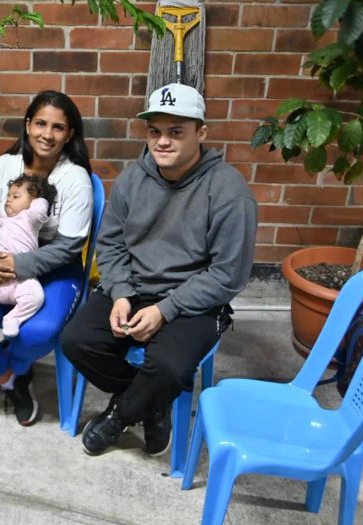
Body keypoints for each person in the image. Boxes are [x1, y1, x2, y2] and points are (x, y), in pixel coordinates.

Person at [61, 83, 258, 456]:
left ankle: (121, 414)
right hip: (134, 287)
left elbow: (228, 274)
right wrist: (120, 293)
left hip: (193, 300)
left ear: (201, 133)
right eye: (155, 132)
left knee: (168, 367)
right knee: (77, 340)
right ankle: (152, 401)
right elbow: (112, 243)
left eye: (175, 132)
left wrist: (165, 310)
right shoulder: (134, 179)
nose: (162, 142)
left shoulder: (230, 193)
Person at [0, 90, 93, 426]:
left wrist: (20, 266)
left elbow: (68, 247)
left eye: (58, 127)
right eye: (41, 123)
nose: (48, 134)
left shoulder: (75, 179)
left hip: (54, 270)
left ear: (69, 134)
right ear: (28, 125)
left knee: (37, 333)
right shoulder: (1, 168)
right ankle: (12, 379)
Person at [0, 174, 56, 338]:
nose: (9, 200)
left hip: (22, 278)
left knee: (36, 296)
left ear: (33, 201)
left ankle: (14, 318)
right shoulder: (4, 220)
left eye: (16, 196)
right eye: (8, 196)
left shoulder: (31, 219)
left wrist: (41, 196)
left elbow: (40, 208)